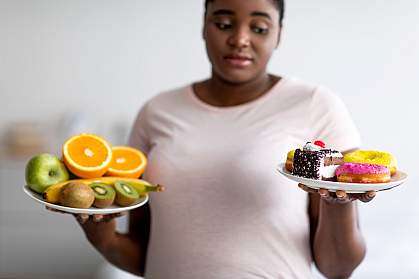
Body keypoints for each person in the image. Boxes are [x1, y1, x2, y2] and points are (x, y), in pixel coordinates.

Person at [51, 0, 376, 278]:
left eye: (259, 28)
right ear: (203, 27)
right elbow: (145, 254)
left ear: (279, 35)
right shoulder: (157, 111)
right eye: (223, 23)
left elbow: (337, 269)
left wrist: (338, 204)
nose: (239, 39)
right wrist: (103, 238)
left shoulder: (315, 105)